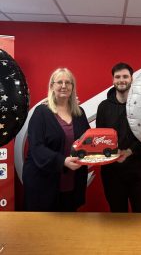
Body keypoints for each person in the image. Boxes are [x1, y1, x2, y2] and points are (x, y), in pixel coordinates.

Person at [22, 68, 90, 212]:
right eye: (59, 82)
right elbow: (37, 148)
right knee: (45, 230)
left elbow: (88, 140)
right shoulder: (41, 112)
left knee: (68, 227)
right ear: (52, 86)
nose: (64, 86)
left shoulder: (79, 112)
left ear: (72, 87)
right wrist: (62, 161)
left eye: (68, 82)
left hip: (72, 180)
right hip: (43, 182)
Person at [96, 62, 141, 213]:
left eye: (125, 76)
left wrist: (129, 151)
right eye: (118, 77)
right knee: (118, 217)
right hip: (112, 173)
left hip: (139, 171)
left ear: (132, 79)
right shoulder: (103, 107)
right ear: (113, 80)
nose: (121, 80)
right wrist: (111, 155)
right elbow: (100, 138)